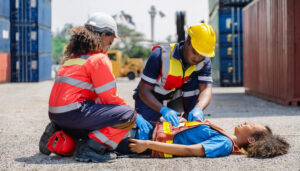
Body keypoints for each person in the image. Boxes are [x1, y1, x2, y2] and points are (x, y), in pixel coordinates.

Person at [38, 12, 137, 162]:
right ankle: (91, 149)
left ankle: (57, 131)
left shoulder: (74, 58)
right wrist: (132, 115)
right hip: (73, 114)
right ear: (103, 35)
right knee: (127, 115)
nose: (108, 48)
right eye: (110, 43)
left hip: (56, 116)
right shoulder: (99, 59)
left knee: (97, 118)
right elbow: (108, 98)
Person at [133, 23, 216, 140]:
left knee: (196, 85)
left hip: (175, 97)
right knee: (146, 134)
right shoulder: (160, 56)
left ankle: (189, 122)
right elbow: (143, 91)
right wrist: (163, 110)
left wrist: (198, 109)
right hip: (151, 98)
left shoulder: (204, 62)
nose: (197, 58)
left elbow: (206, 88)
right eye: (195, 52)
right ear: (187, 42)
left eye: (202, 55)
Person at [128, 121, 290, 158]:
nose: (247, 122)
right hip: (146, 130)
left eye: (252, 125)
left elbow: (189, 151)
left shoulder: (225, 144)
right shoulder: (224, 135)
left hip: (143, 140)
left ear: (252, 140)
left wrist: (147, 144)